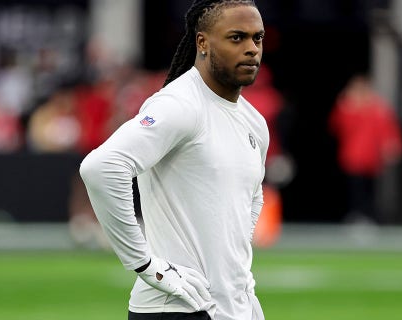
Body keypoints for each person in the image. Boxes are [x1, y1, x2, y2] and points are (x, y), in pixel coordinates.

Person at [79, 1, 268, 319]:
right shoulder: (180, 105)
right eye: (237, 38)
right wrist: (144, 264)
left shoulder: (254, 122)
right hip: (177, 307)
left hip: (232, 307)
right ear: (203, 43)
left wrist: (237, 283)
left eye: (257, 38)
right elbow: (101, 168)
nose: (251, 49)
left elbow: (252, 194)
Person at [328, 74, 402, 224]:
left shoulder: (378, 109)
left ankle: (369, 216)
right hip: (353, 157)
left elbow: (388, 130)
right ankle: (356, 215)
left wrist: (393, 146)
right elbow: (336, 127)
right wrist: (346, 107)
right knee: (355, 189)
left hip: (372, 158)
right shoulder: (347, 108)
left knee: (371, 190)